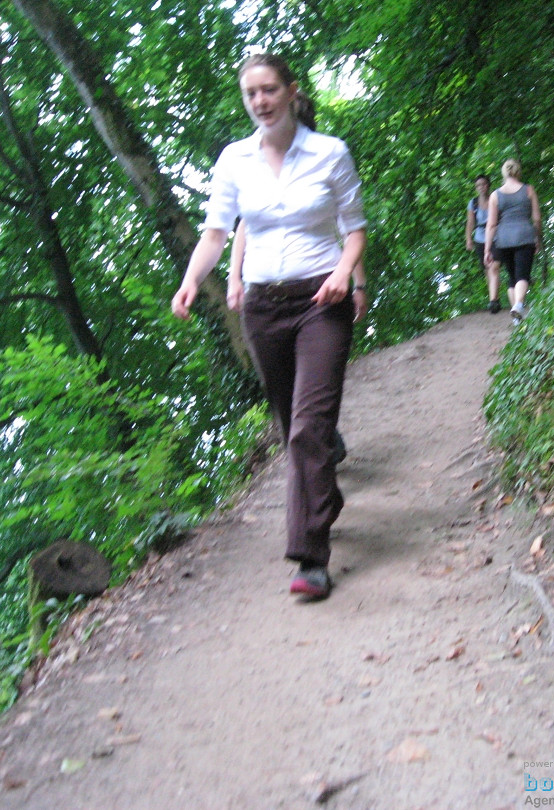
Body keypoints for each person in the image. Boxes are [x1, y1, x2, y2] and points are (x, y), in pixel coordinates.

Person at [171, 53, 367, 601]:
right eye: (250, 93)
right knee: (290, 427)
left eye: (268, 90)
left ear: (289, 91)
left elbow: (354, 232)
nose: (259, 101)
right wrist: (191, 282)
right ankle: (322, 496)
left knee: (309, 427)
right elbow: (216, 233)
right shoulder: (234, 161)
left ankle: (310, 557)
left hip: (320, 302)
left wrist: (345, 275)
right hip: (263, 309)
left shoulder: (331, 154)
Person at [227, 91, 366, 465]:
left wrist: (355, 282)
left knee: (311, 390)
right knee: (286, 392)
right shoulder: (252, 167)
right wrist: (234, 278)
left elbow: (349, 230)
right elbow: (242, 228)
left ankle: (318, 441)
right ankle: (318, 444)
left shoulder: (324, 161)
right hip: (266, 294)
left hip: (319, 286)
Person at [484, 159, 541, 323]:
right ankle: (518, 305)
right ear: (518, 172)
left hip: (504, 239)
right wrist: (537, 237)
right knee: (523, 275)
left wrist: (488, 249)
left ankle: (517, 318)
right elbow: (536, 218)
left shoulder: (495, 195)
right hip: (524, 236)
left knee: (512, 278)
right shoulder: (529, 190)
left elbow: (491, 224)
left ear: (504, 173)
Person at [465, 175, 502, 313]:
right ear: (476, 188)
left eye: (484, 184)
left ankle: (493, 301)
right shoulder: (473, 203)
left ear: (488, 185)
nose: (481, 187)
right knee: (488, 270)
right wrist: (468, 239)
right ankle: (494, 299)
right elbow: (470, 222)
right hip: (480, 238)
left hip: (497, 237)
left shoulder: (496, 198)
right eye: (478, 185)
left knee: (495, 267)